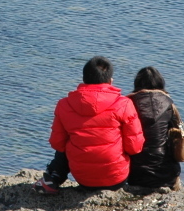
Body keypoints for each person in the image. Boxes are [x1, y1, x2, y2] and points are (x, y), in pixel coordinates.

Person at [33, 56, 145, 194]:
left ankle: (53, 177)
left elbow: (57, 144)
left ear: (84, 80)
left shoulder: (64, 104)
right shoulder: (124, 104)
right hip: (116, 179)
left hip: (82, 178)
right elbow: (135, 147)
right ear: (110, 81)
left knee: (69, 140)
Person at [126, 66, 182, 189]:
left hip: (134, 174)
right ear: (160, 83)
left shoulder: (127, 103)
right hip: (166, 173)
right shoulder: (169, 104)